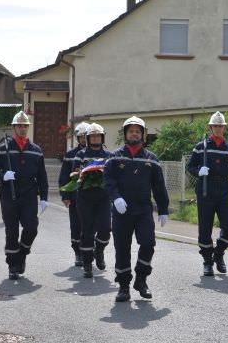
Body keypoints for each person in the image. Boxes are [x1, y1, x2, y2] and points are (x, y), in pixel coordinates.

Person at [104, 116, 170, 302]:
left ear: (143, 135)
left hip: (143, 210)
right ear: (125, 134)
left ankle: (141, 279)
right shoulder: (114, 157)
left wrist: (163, 209)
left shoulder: (152, 159)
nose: (134, 134)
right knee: (122, 248)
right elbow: (108, 181)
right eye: (131, 131)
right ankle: (124, 286)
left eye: (138, 131)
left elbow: (159, 186)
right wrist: (116, 198)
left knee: (148, 243)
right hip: (121, 211)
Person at [0, 111, 49, 280]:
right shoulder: (3, 149)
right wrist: (3, 176)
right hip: (9, 195)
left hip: (29, 195)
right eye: (19, 126)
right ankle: (12, 265)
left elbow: (42, 176)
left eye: (25, 126)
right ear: (14, 127)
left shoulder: (36, 150)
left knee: (31, 227)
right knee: (11, 231)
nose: (23, 129)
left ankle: (22, 253)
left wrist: (44, 197)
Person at [188, 111, 228, 276]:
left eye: (221, 126)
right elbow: (190, 167)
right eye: (215, 126)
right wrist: (199, 171)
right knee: (205, 229)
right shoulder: (200, 147)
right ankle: (207, 261)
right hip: (206, 188)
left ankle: (218, 254)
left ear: (224, 128)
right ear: (210, 127)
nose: (218, 129)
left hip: (223, 190)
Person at [73, 123, 112, 278]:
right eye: (92, 136)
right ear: (88, 138)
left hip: (104, 197)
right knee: (87, 231)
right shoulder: (80, 155)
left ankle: (100, 250)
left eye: (98, 136)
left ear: (102, 138)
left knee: (105, 229)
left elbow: (113, 174)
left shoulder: (109, 155)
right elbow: (74, 174)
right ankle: (88, 264)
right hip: (85, 197)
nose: (95, 138)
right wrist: (82, 174)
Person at [58, 121, 90, 267]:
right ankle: (78, 253)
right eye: (81, 136)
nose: (83, 139)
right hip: (75, 197)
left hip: (93, 197)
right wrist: (64, 195)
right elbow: (64, 176)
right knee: (76, 226)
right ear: (77, 138)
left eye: (86, 136)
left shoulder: (99, 153)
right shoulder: (70, 155)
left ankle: (89, 251)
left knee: (91, 226)